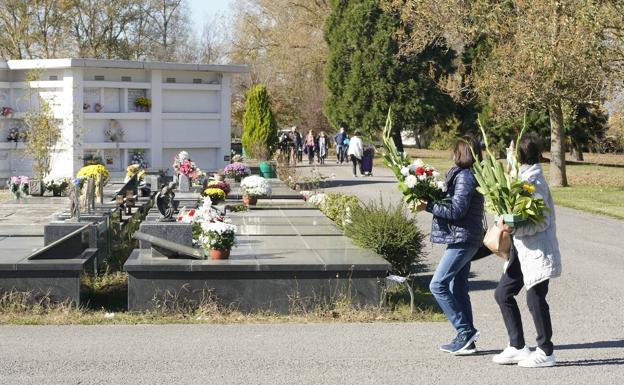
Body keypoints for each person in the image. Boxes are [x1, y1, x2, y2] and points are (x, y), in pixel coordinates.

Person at [492, 133, 561, 368]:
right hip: (521, 251)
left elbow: (542, 222)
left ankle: (546, 351)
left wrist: (513, 227)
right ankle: (518, 346)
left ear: (521, 156)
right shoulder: (519, 178)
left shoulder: (535, 183)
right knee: (503, 293)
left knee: (535, 299)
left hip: (538, 251)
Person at [417, 135, 484, 355]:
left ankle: (465, 331)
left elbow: (456, 211)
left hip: (463, 238)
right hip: (464, 236)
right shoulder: (463, 175)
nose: (452, 155)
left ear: (462, 153)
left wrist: (428, 206)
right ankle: (467, 341)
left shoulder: (465, 176)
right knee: (459, 286)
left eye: (455, 151)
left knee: (438, 285)